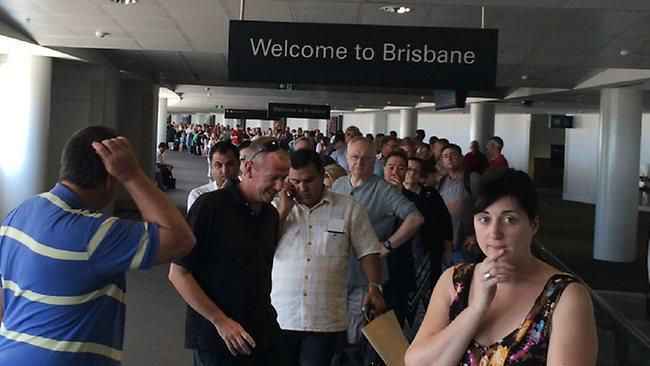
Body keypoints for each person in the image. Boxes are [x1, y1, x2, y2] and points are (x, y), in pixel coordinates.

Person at [0, 126, 196, 365]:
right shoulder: (95, 234)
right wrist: (132, 174)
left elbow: (3, 297)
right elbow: (181, 239)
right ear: (109, 180)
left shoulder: (17, 214)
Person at [405, 168, 598, 365]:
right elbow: (417, 362)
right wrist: (476, 310)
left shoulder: (564, 296)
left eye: (509, 219)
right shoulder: (455, 279)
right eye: (484, 219)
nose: (494, 233)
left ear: (533, 225)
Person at [168, 137, 290, 366]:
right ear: (249, 168)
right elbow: (178, 273)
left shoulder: (271, 215)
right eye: (274, 178)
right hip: (219, 338)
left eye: (284, 178)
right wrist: (221, 321)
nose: (280, 186)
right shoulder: (209, 207)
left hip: (263, 330)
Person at [273, 149, 385, 366]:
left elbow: (368, 249)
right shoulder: (277, 208)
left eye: (309, 180)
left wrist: (374, 287)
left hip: (324, 320)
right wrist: (284, 211)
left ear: (322, 175)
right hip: (280, 316)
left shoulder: (347, 209)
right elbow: (261, 247)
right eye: (295, 181)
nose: (302, 188)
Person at [331, 137, 424, 344]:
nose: (359, 162)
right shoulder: (338, 185)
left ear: (375, 161)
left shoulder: (384, 190)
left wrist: (387, 246)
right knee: (334, 333)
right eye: (355, 157)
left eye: (365, 158)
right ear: (346, 158)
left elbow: (415, 218)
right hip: (338, 273)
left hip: (366, 278)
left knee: (355, 337)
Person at [437, 144, 481, 265]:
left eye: (453, 155)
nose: (449, 159)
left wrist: (476, 236)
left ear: (461, 157)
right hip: (446, 246)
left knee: (463, 282)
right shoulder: (442, 182)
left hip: (465, 246)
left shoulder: (472, 179)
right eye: (445, 156)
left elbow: (486, 206)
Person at [187, 141, 240, 211]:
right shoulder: (198, 195)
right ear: (211, 167)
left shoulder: (249, 195)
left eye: (230, 164)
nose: (224, 171)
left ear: (238, 165)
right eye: (218, 165)